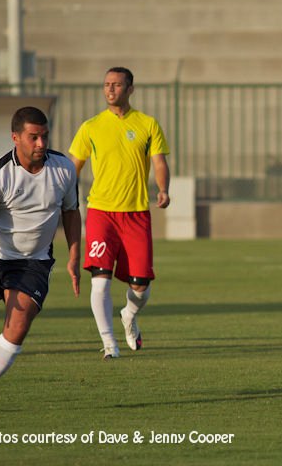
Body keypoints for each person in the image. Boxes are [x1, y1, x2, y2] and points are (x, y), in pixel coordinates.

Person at [0, 106, 81, 413]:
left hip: (32, 263)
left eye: (44, 136)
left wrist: (74, 256)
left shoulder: (64, 168)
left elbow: (71, 211)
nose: (40, 143)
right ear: (16, 138)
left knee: (19, 323)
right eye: (33, 137)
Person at [69, 66, 170, 359]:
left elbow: (159, 162)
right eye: (106, 84)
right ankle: (109, 343)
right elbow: (72, 166)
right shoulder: (91, 126)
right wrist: (59, 195)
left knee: (141, 286)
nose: (110, 89)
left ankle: (128, 316)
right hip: (101, 212)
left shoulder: (147, 124)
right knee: (100, 279)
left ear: (130, 89)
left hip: (136, 213)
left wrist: (162, 189)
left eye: (116, 84)